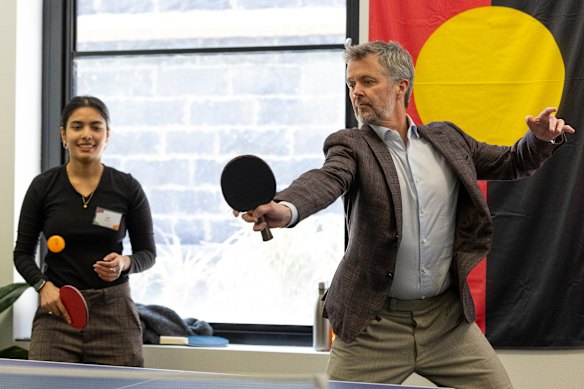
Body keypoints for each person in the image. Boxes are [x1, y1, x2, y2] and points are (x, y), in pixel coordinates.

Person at [236, 41, 575, 388]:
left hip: (446, 323)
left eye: (368, 82)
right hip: (373, 325)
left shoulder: (448, 139)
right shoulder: (351, 146)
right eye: (352, 84)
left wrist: (539, 141)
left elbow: (510, 162)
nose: (357, 92)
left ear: (401, 86)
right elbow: (326, 180)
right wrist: (286, 208)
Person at [13, 96, 156, 367]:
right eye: (77, 126)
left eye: (96, 127)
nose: (86, 135)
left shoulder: (127, 187)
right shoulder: (43, 186)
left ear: (107, 135)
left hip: (113, 311)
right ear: (63, 134)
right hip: (58, 309)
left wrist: (125, 263)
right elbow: (22, 253)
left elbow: (148, 253)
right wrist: (42, 286)